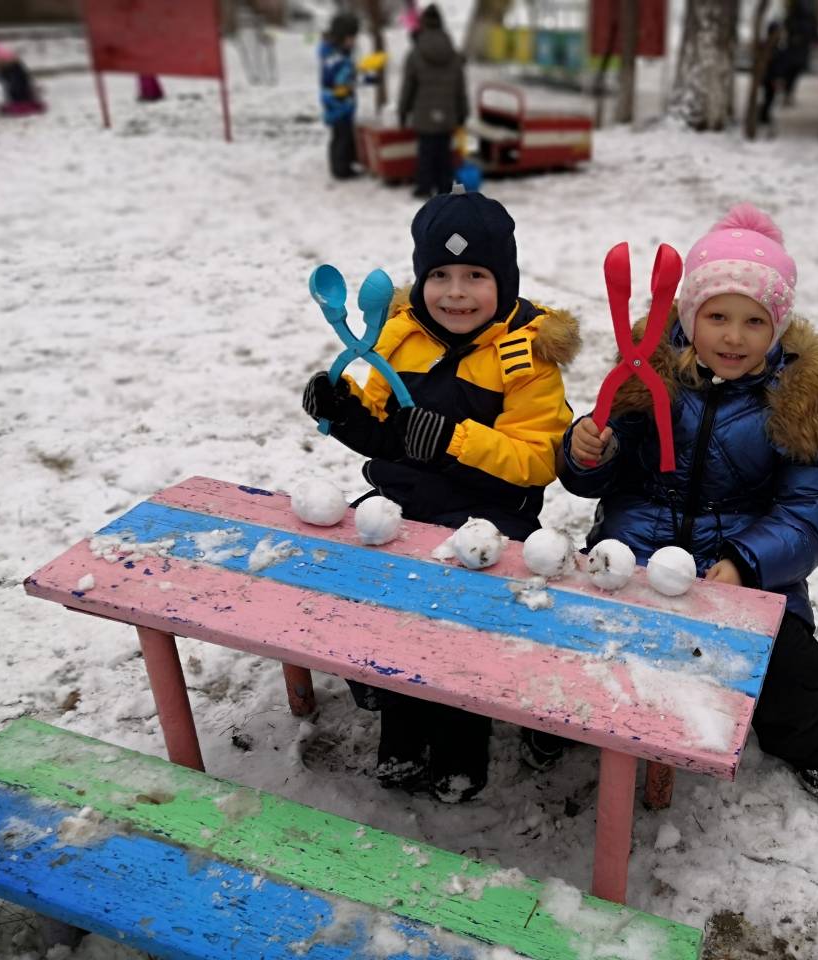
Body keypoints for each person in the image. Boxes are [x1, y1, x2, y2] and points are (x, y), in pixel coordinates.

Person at [557, 204, 818, 802]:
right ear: (689, 315)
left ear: (778, 326)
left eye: (754, 321)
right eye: (717, 316)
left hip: (740, 560)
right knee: (577, 629)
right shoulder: (650, 376)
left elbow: (813, 506)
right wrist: (587, 451)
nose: (733, 336)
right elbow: (602, 475)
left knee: (788, 665)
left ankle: (806, 742)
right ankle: (563, 721)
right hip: (636, 544)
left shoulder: (794, 397)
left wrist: (749, 561)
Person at [300, 190, 580, 802]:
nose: (456, 292)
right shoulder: (398, 338)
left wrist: (457, 440)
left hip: (489, 521)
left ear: (503, 281)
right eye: (441, 276)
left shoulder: (525, 356)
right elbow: (381, 428)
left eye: (475, 276)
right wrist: (341, 411)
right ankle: (397, 724)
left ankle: (459, 750)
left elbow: (538, 461)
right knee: (371, 601)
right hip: (400, 511)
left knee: (453, 630)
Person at [399, 5, 467, 199]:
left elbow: (408, 87)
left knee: (426, 152)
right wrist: (463, 112)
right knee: (445, 153)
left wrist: (403, 111)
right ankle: (445, 187)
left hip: (424, 113)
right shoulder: (453, 53)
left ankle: (424, 187)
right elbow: (460, 86)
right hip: (447, 112)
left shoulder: (415, 53)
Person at [318, 12, 361, 180]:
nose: (353, 42)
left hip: (344, 102)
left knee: (344, 133)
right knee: (340, 135)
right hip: (336, 103)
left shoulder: (341, 53)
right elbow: (336, 79)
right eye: (351, 38)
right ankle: (340, 169)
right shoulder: (333, 57)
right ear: (342, 37)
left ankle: (346, 164)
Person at [0, 43, 45, 116]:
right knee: (18, 97)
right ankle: (22, 104)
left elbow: (22, 78)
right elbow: (4, 79)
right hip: (17, 90)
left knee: (20, 99)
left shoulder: (9, 63)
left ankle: (22, 105)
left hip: (19, 90)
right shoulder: (6, 63)